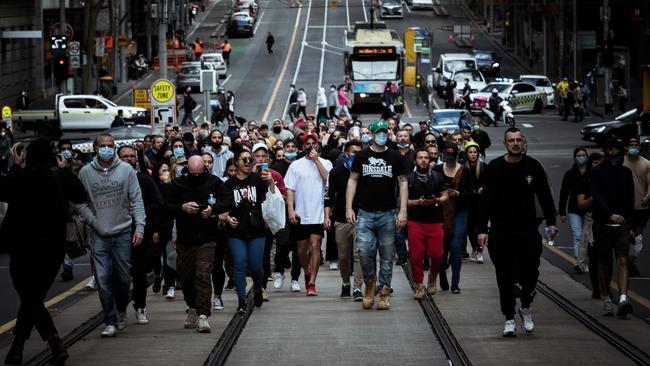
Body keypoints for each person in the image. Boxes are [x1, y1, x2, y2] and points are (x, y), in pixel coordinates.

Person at [1, 139, 87, 365]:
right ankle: (32, 344)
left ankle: (48, 342)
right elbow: (80, 195)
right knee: (34, 297)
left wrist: (15, 165)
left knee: (29, 297)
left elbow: (4, 192)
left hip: (22, 247)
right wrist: (65, 171)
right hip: (53, 248)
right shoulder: (56, 177)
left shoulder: (19, 176)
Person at [478, 127, 557, 337]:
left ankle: (526, 306)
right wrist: (481, 229)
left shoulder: (533, 166)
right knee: (504, 276)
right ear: (505, 143)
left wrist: (551, 221)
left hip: (527, 229)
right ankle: (509, 318)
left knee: (530, 272)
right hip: (501, 231)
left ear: (523, 143)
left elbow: (545, 195)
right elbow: (486, 201)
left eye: (518, 140)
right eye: (511, 140)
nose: (515, 143)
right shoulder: (494, 167)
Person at [76, 134, 146, 337]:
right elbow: (80, 203)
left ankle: (122, 308)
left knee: (124, 279)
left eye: (110, 146)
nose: (106, 149)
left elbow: (137, 200)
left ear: (115, 148)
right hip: (99, 235)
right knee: (104, 279)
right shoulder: (85, 172)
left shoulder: (126, 171)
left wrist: (139, 227)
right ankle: (110, 320)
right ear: (95, 148)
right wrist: (93, 221)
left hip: (123, 233)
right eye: (102, 146)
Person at [346, 120, 408, 310]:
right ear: (371, 135)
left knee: (387, 255)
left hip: (388, 214)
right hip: (365, 214)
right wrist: (349, 207)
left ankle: (383, 291)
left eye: (384, 131)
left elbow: (403, 182)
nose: (382, 135)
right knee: (364, 251)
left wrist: (403, 209)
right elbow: (352, 181)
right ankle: (370, 284)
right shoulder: (362, 156)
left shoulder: (395, 156)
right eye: (378, 132)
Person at [166, 155, 227, 332]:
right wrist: (182, 207)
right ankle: (192, 307)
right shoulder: (178, 184)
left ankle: (203, 314)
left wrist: (212, 209)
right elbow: (166, 205)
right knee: (186, 277)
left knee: (202, 274)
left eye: (200, 173)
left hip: (207, 238)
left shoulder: (214, 182)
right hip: (185, 239)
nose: (197, 176)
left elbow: (228, 201)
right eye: (193, 173)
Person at [220, 149, 277, 313]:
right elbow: (222, 207)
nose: (247, 162)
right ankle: (241, 300)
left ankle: (258, 288)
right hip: (236, 230)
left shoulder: (258, 179)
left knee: (255, 266)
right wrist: (226, 218)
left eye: (249, 160)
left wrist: (271, 181)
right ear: (236, 162)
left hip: (256, 230)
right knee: (239, 264)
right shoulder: (228, 184)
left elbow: (273, 196)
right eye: (243, 159)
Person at [117, 146, 163, 325]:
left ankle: (141, 305)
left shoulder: (144, 179)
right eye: (124, 156)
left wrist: (138, 212)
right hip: (116, 233)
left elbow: (158, 203)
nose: (129, 159)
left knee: (139, 272)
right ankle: (120, 309)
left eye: (132, 156)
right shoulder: (113, 180)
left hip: (140, 233)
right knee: (119, 275)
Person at [589, 138, 635, 318]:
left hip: (622, 224)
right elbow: (598, 197)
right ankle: (606, 297)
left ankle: (623, 298)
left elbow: (630, 199)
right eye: (612, 151)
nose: (616, 155)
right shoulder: (597, 172)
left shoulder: (625, 173)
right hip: (602, 223)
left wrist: (630, 222)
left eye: (619, 151)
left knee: (623, 260)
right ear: (607, 152)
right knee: (605, 262)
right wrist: (610, 214)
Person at [285, 133, 333, 296]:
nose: (310, 146)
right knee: (300, 251)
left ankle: (312, 282)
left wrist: (316, 160)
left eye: (313, 143)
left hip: (318, 214)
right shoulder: (295, 165)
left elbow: (328, 180)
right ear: (303, 146)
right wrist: (291, 209)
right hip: (300, 214)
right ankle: (306, 271)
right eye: (307, 143)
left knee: (315, 245)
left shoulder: (325, 163)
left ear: (318, 145)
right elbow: (290, 189)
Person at [407, 149, 448, 299]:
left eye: (426, 158)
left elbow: (445, 196)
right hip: (415, 221)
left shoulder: (437, 177)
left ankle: (432, 276)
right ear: (415, 161)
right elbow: (403, 201)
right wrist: (417, 202)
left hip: (435, 221)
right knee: (416, 256)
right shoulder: (409, 179)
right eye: (420, 158)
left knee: (437, 254)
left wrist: (436, 200)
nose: (423, 160)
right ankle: (418, 284)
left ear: (430, 160)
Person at [325, 141, 364, 299]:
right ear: (346, 154)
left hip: (362, 219)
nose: (356, 155)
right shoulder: (336, 172)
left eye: (359, 152)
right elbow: (328, 197)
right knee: (343, 256)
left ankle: (357, 287)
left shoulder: (365, 171)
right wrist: (327, 216)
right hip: (341, 219)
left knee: (358, 254)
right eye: (353, 152)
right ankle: (345, 282)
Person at [434, 144, 472, 293]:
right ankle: (442, 270)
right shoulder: (437, 170)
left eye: (452, 157)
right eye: (447, 157)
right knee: (441, 248)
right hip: (441, 213)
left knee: (456, 246)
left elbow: (471, 195)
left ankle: (455, 282)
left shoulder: (465, 172)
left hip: (459, 211)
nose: (450, 160)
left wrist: (458, 194)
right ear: (444, 156)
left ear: (457, 157)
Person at [575, 152, 604, 299]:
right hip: (591, 220)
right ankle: (596, 289)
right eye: (594, 162)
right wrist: (594, 197)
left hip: (606, 219)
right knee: (594, 256)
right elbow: (581, 204)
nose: (597, 165)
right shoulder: (585, 182)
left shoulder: (607, 179)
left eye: (600, 162)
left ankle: (605, 288)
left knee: (605, 257)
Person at [559, 147, 590, 272]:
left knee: (587, 236)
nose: (581, 157)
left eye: (583, 155)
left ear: (587, 157)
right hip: (574, 209)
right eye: (579, 155)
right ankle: (579, 262)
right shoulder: (570, 174)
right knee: (578, 235)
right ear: (575, 158)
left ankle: (584, 260)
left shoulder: (592, 172)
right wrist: (562, 211)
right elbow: (564, 193)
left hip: (589, 209)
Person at [623, 138, 650, 278]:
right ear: (627, 147)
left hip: (641, 207)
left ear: (639, 147)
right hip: (625, 207)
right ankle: (626, 262)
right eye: (631, 145)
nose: (633, 147)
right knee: (627, 235)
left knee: (637, 239)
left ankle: (631, 261)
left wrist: (647, 196)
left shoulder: (646, 164)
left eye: (636, 145)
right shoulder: (622, 162)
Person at [464, 141, 486, 263]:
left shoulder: (483, 167)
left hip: (481, 202)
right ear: (466, 154)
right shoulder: (463, 167)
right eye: (470, 152)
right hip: (468, 202)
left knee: (480, 227)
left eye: (475, 152)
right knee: (470, 228)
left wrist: (483, 188)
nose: (473, 154)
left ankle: (480, 251)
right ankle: (474, 248)